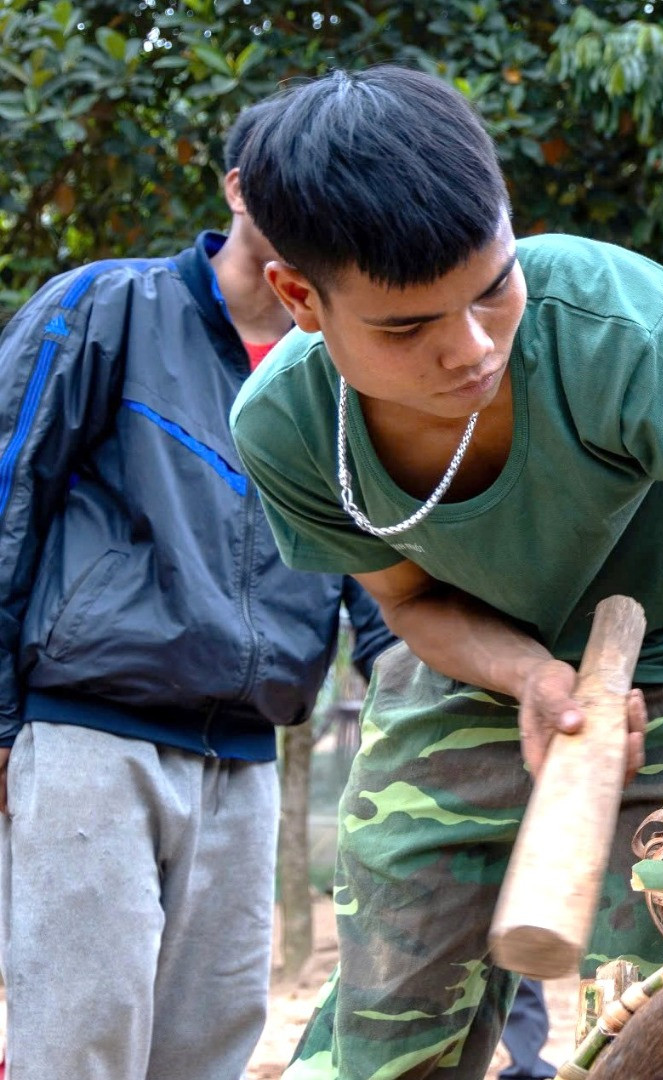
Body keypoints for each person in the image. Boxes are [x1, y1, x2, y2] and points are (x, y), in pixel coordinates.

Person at [227, 68, 663, 1079]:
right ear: (300, 299)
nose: (472, 349)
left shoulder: (622, 325)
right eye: (408, 327)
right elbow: (407, 602)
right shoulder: (284, 427)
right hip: (476, 674)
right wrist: (528, 676)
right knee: (384, 1038)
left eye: (494, 287)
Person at [0, 100, 392, 1080]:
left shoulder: (343, 377)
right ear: (236, 189)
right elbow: (8, 494)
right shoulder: (107, 307)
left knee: (209, 1050)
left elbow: (383, 582)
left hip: (247, 759)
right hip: (94, 733)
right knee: (79, 1044)